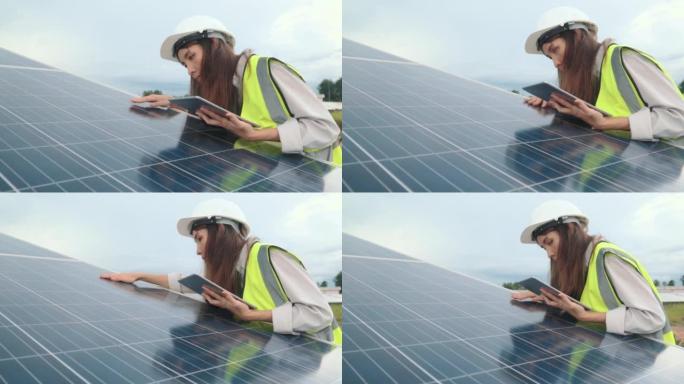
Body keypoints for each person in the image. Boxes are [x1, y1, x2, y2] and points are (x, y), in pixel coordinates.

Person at [100, 199, 342, 345]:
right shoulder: (233, 268)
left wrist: (249, 316)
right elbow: (186, 283)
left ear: (221, 232)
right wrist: (139, 276)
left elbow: (319, 314)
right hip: (282, 351)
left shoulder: (269, 255)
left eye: (199, 239)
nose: (197, 250)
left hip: (322, 355)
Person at [131, 15, 341, 165]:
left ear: (214, 44)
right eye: (184, 65)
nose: (190, 70)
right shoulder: (224, 86)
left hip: (318, 174)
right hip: (272, 172)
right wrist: (175, 102)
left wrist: (255, 135)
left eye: (191, 56)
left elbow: (325, 129)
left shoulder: (266, 69)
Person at [511, 200, 676, 345]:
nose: (549, 253)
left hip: (652, 358)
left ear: (569, 229)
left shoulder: (608, 258)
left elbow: (652, 318)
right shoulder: (583, 265)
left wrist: (585, 316)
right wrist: (550, 297)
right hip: (620, 354)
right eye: (543, 247)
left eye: (550, 242)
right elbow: (591, 303)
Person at [523, 7, 684, 141]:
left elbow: (679, 119)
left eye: (555, 50)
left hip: (664, 167)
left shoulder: (625, 59)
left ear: (577, 36)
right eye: (549, 57)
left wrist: (607, 123)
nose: (556, 63)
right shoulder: (587, 77)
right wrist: (556, 105)